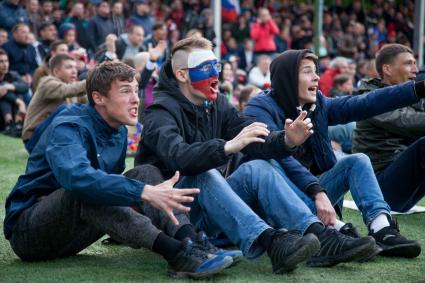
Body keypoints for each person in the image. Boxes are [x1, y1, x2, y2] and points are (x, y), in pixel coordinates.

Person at [136, 36, 379, 272]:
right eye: (206, 67)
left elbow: (253, 136)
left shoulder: (218, 104)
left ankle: (320, 236)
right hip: (178, 218)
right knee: (204, 170)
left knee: (258, 167)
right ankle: (271, 241)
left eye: (216, 66)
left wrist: (285, 140)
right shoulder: (159, 111)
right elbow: (179, 157)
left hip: (215, 208)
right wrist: (227, 147)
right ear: (182, 74)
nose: (215, 74)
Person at [4, 61, 233, 279]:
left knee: (146, 172)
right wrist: (143, 192)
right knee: (88, 189)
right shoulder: (69, 125)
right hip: (31, 234)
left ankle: (193, 243)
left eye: (136, 90)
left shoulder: (119, 130)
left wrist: (145, 191)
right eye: (125, 91)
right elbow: (76, 178)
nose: (135, 100)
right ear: (98, 97)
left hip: (77, 231)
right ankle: (175, 253)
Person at [244, 49, 422, 258]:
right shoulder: (259, 106)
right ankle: (332, 231)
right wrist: (289, 143)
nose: (317, 77)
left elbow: (364, 103)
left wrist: (417, 90)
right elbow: (275, 156)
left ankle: (382, 229)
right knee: (270, 162)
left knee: (357, 161)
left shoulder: (318, 103)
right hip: (281, 205)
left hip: (314, 197)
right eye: (307, 71)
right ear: (288, 78)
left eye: (316, 71)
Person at [352, 44, 425, 213]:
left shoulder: (411, 95)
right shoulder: (369, 98)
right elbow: (409, 122)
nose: (415, 70)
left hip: (406, 194)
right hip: (377, 190)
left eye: (415, 63)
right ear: (387, 69)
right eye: (408, 63)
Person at [22, 54, 86, 148]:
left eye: (75, 67)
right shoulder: (47, 83)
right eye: (69, 67)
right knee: (66, 110)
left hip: (51, 135)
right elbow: (68, 90)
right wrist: (91, 81)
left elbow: (87, 103)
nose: (74, 71)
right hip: (35, 138)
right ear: (56, 71)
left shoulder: (71, 86)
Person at [0, 48, 28, 137]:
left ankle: (16, 123)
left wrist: (9, 86)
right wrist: (20, 102)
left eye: (6, 61)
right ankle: (12, 123)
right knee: (4, 93)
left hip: (12, 110)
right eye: (1, 61)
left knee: (17, 91)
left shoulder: (12, 74)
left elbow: (25, 87)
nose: (5, 64)